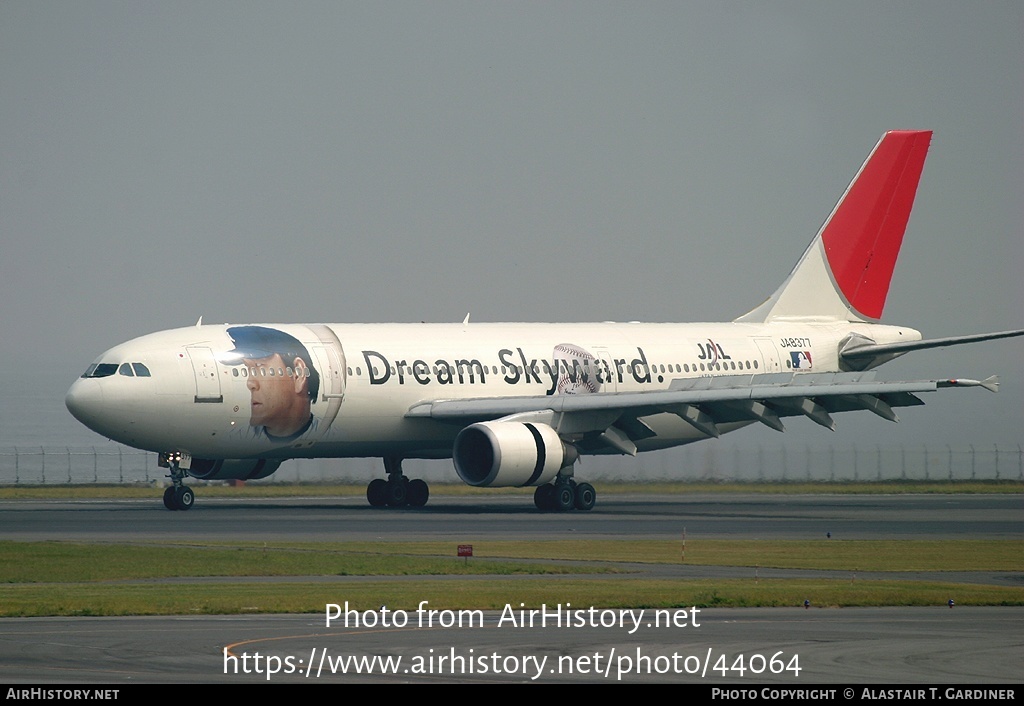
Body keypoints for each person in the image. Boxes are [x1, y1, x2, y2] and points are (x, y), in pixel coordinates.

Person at [224, 326, 321, 442]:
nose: (250, 383)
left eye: (260, 367)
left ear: (298, 375)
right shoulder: (236, 440)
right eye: (248, 369)